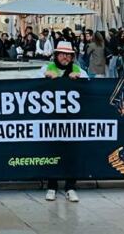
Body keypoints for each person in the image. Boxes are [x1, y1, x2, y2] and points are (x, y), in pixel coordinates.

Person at [40, 41, 81, 202]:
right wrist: (46, 79)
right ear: (56, 55)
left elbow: (90, 87)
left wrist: (80, 80)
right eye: (63, 54)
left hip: (72, 121)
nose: (66, 57)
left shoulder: (78, 70)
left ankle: (70, 187)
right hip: (52, 120)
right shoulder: (46, 69)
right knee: (52, 153)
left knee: (71, 154)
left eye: (69, 55)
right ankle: (52, 186)